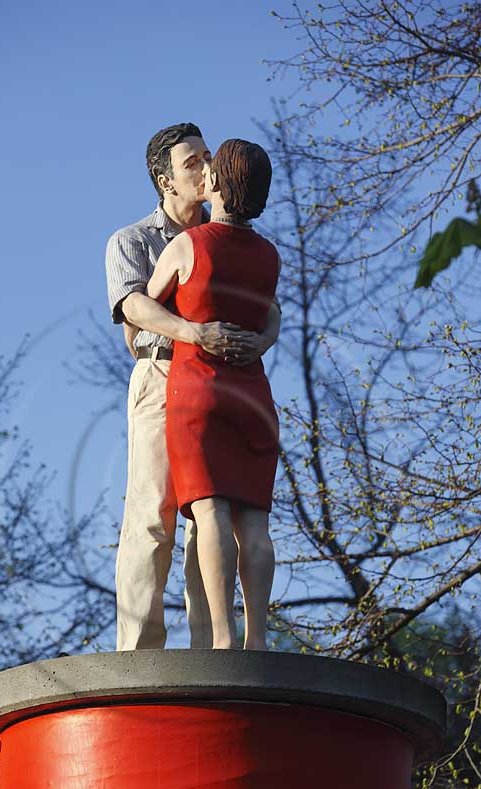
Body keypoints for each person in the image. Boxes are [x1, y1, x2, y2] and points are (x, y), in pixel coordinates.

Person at [106, 123, 280, 651]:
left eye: (209, 158)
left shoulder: (225, 234)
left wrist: (259, 341)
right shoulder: (132, 240)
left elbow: (269, 309)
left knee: (209, 517)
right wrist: (193, 331)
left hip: (217, 378)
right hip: (164, 375)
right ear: (165, 181)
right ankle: (137, 657)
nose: (206, 169)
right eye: (192, 164)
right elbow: (132, 307)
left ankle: (210, 656)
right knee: (154, 517)